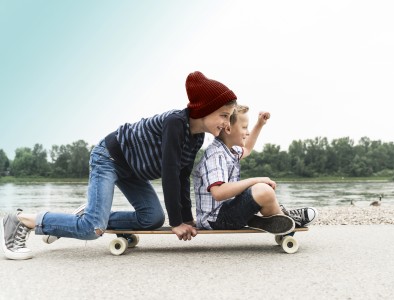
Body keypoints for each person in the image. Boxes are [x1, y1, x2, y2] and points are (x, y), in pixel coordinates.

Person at [0, 71, 237, 260]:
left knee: (152, 219)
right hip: (109, 158)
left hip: (132, 170)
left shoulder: (196, 137)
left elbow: (183, 176)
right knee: (91, 229)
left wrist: (187, 218)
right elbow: (170, 173)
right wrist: (176, 223)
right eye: (224, 116)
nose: (228, 125)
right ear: (204, 110)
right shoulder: (176, 122)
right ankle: (20, 220)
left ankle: (90, 213)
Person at [193, 105, 318, 232]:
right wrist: (255, 180)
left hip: (225, 212)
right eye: (244, 127)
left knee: (264, 192)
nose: (247, 132)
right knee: (263, 190)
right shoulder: (215, 154)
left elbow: (247, 148)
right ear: (228, 129)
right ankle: (286, 220)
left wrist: (259, 124)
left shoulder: (230, 151)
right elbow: (219, 193)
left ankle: (280, 219)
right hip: (215, 219)